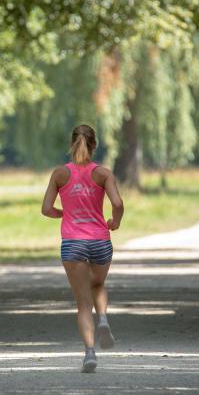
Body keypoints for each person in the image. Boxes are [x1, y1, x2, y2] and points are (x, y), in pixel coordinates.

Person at [41, 124, 124, 373]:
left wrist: (64, 214)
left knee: (82, 303)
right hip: (100, 240)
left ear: (72, 144)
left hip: (73, 244)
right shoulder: (103, 173)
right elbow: (118, 203)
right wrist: (114, 222)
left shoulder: (59, 174)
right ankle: (105, 320)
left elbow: (46, 209)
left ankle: (89, 353)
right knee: (97, 285)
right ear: (94, 145)